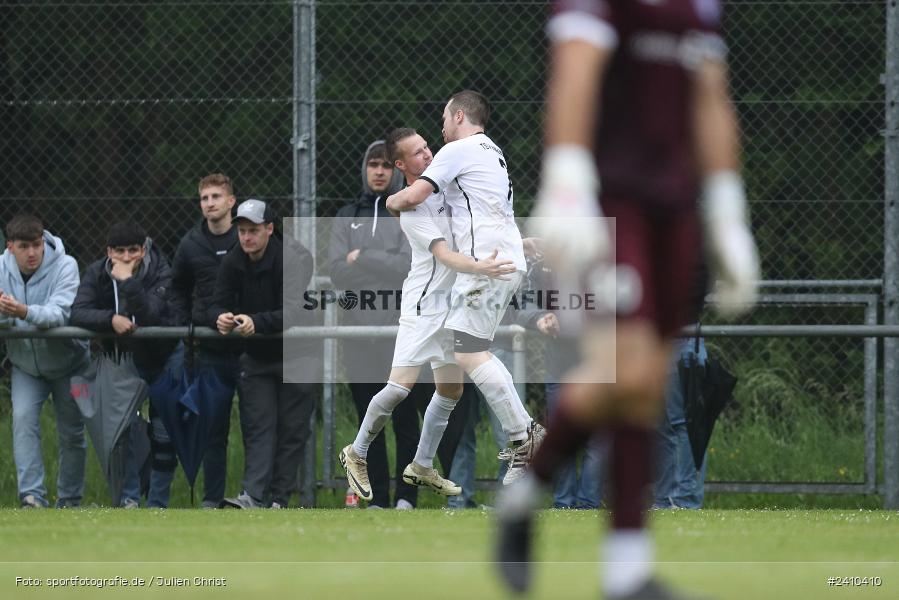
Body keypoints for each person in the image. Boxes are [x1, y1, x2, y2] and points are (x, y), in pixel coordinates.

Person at [496, 2, 760, 599]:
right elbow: (575, 72)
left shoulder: (696, 9)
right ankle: (627, 570)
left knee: (639, 385)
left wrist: (726, 204)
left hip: (674, 205)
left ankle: (522, 498)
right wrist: (566, 178)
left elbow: (709, 97)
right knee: (632, 368)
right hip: (614, 204)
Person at [340, 127, 518, 504]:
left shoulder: (442, 186)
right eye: (417, 153)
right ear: (400, 164)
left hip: (449, 306)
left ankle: (421, 465)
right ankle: (356, 453)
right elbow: (445, 255)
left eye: (427, 147)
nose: (427, 154)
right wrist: (478, 268)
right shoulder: (410, 209)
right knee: (399, 388)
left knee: (450, 390)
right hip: (422, 308)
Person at [386, 91, 544, 485]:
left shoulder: (458, 149)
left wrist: (390, 200)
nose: (440, 129)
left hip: (487, 266)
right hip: (502, 260)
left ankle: (524, 436)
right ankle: (521, 436)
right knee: (471, 354)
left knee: (470, 355)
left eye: (443, 119)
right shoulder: (493, 150)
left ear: (459, 116)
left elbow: (414, 196)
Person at [327, 140, 431, 510]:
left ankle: (406, 497)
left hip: (398, 331)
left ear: (396, 169)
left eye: (386, 165)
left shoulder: (406, 210)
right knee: (368, 422)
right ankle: (377, 499)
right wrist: (376, 262)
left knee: (404, 416)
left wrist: (363, 256)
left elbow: (407, 265)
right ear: (365, 168)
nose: (379, 171)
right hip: (356, 334)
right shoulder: (345, 215)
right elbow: (336, 270)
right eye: (373, 164)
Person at [70, 221, 183, 508]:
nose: (126, 257)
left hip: (164, 355)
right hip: (125, 359)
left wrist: (127, 281)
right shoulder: (96, 272)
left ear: (143, 250)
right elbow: (78, 312)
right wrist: (110, 320)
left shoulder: (162, 271)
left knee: (164, 432)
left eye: (133, 250)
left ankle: (158, 503)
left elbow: (152, 315)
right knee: (124, 429)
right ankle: (129, 498)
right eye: (119, 251)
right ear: (109, 252)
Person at [213, 199, 316, 509]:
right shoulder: (233, 260)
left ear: (269, 229)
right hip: (257, 358)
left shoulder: (290, 259)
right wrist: (219, 317)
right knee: (259, 427)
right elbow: (217, 302)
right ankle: (253, 496)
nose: (246, 237)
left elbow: (293, 311)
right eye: (242, 231)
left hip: (299, 355)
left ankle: (279, 500)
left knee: (292, 431)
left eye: (253, 231)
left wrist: (257, 322)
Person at [0, 215, 89, 508]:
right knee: (23, 421)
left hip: (73, 366)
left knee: (73, 433)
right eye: (24, 246)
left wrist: (22, 311)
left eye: (36, 245)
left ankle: (70, 500)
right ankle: (32, 497)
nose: (32, 253)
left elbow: (59, 314)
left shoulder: (67, 265)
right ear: (10, 246)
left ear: (43, 241)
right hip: (25, 367)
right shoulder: (0, 268)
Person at [169, 172, 240, 509]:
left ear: (231, 201)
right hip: (210, 351)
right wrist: (187, 328)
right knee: (213, 431)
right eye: (204, 198)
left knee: (259, 428)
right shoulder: (190, 244)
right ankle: (211, 500)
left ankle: (261, 498)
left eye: (216, 197)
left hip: (250, 348)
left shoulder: (248, 236)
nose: (209, 204)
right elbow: (178, 289)